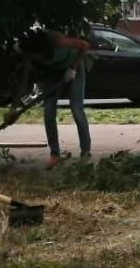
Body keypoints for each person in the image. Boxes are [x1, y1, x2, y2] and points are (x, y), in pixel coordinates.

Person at [19, 29, 92, 168]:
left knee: (76, 109)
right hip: (52, 72)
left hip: (74, 67)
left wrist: (72, 68)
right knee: (48, 112)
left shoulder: (57, 40)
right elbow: (24, 79)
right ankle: (55, 154)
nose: (39, 58)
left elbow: (84, 46)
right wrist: (12, 109)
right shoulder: (28, 53)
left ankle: (85, 152)